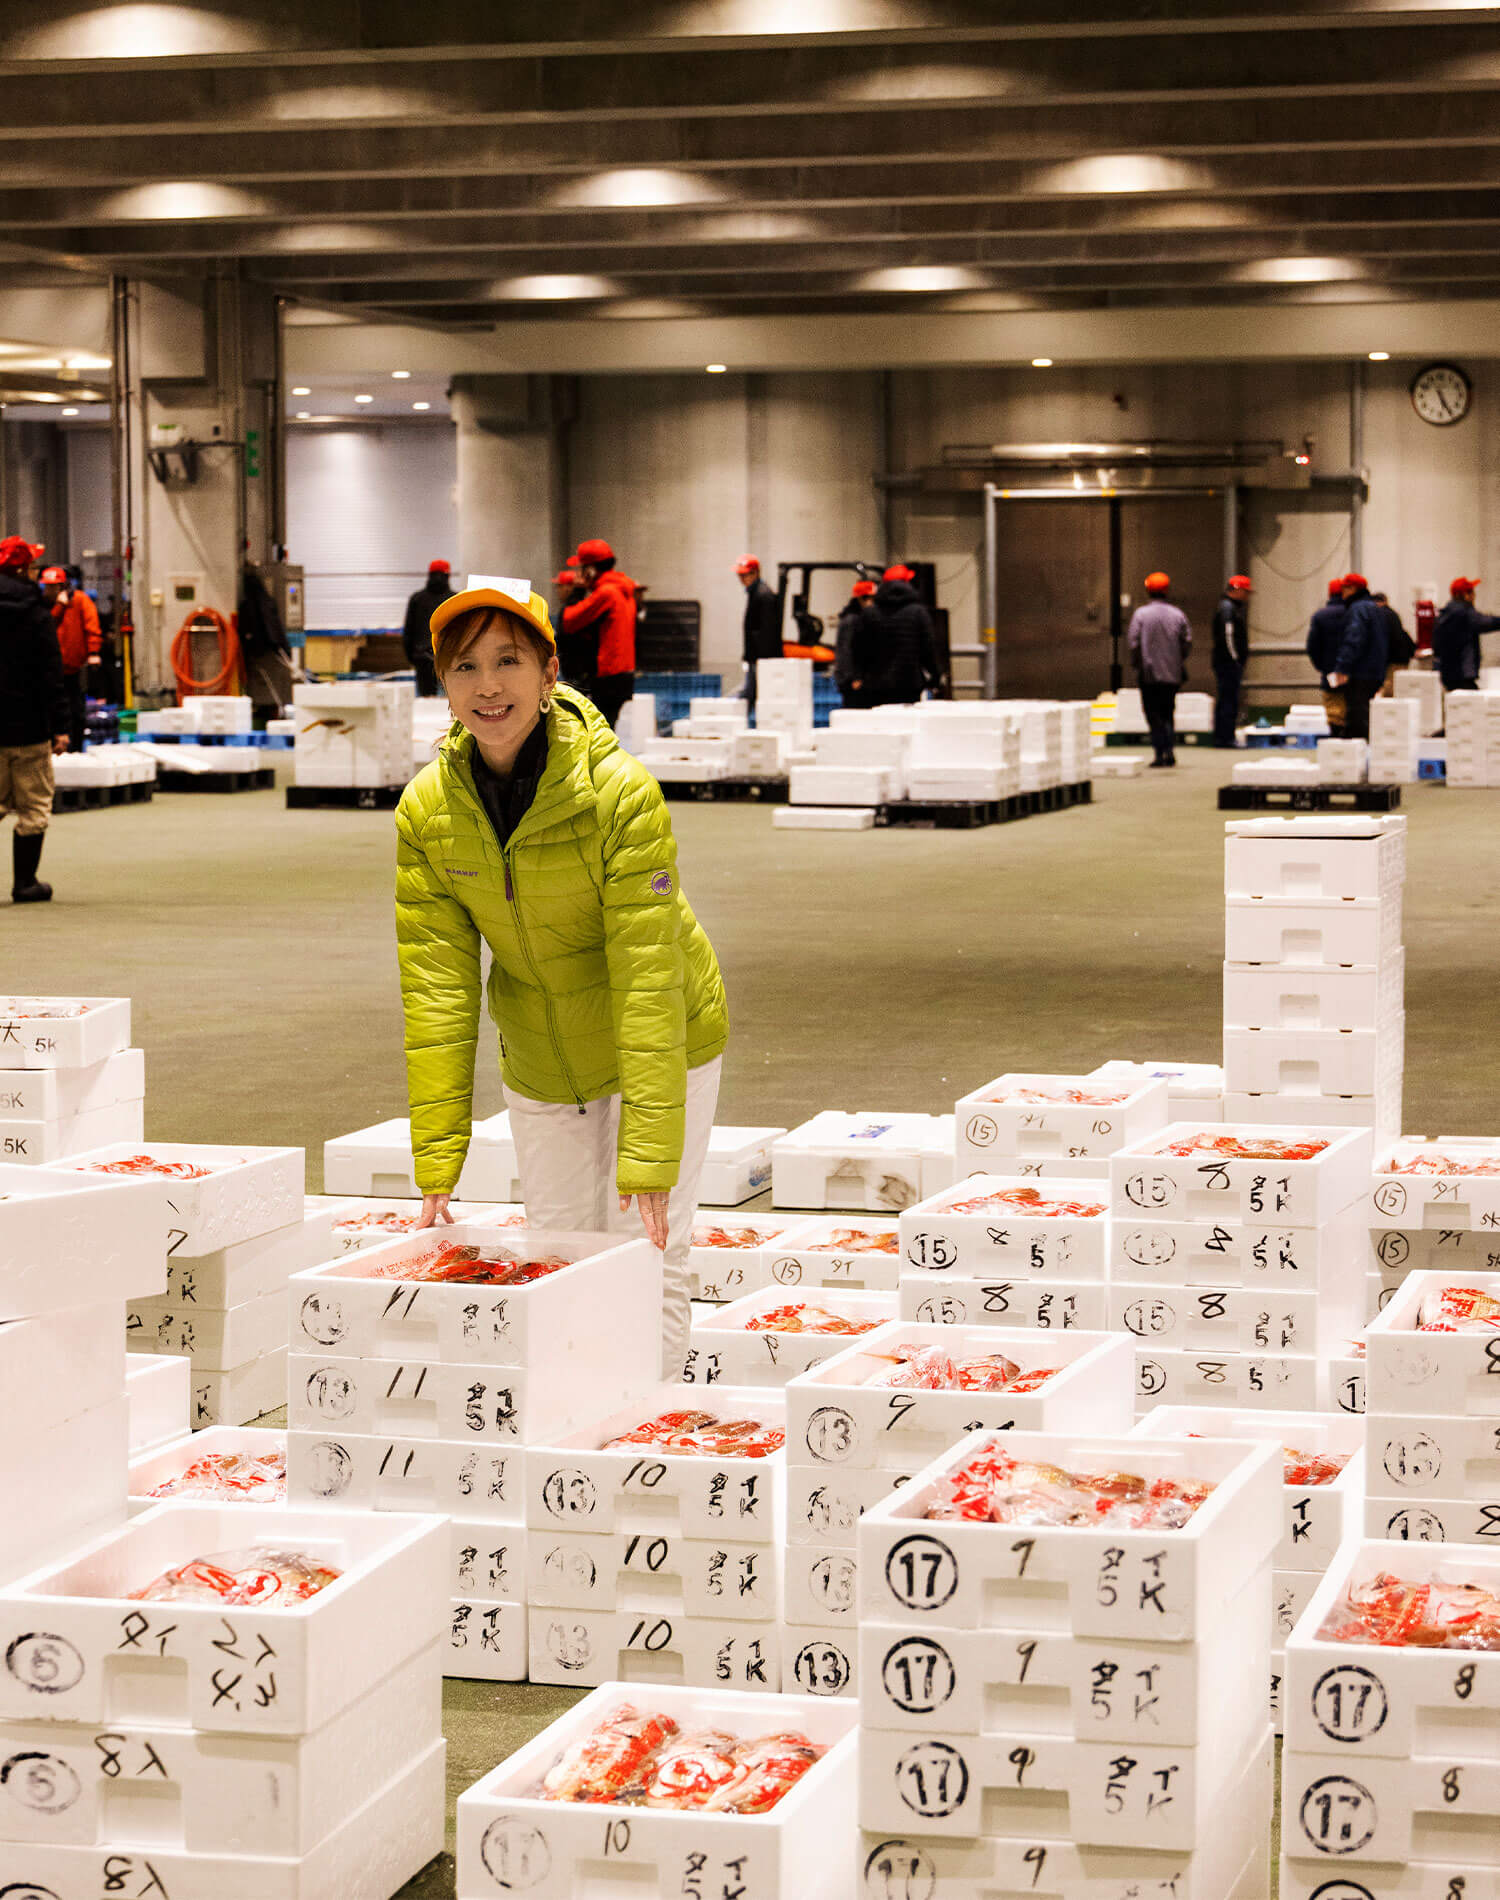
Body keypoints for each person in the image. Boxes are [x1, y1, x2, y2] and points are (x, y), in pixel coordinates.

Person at [395, 577, 728, 1377]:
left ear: (550, 674)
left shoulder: (620, 795)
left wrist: (646, 1156)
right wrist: (437, 1156)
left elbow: (648, 981)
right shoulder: (426, 811)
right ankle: (576, 1428)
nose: (488, 686)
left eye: (508, 661)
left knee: (646, 1254)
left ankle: (652, 1435)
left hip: (661, 1037)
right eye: (465, 667)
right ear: (443, 687)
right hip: (541, 1057)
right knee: (558, 1259)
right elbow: (437, 986)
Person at [0, 536, 68, 904]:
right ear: (26, 569)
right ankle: (25, 883)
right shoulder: (37, 613)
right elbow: (50, 674)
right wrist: (60, 726)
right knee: (34, 806)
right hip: (28, 729)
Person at [561, 538, 637, 728]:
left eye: (581, 568)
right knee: (606, 727)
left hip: (608, 675)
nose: (578, 574)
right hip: (622, 673)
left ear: (591, 570)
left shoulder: (607, 593)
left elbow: (568, 622)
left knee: (598, 732)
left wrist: (576, 592)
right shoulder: (623, 588)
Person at [1127, 570, 1192, 768]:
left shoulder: (1140, 615)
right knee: (1168, 712)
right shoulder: (1178, 614)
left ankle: (1159, 753)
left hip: (1149, 674)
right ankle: (1170, 751)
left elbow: (1133, 643)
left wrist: (1138, 664)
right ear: (1167, 590)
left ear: (1148, 590)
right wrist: (1177, 660)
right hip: (1172, 674)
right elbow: (1187, 641)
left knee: (1153, 714)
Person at [861, 564, 941, 707]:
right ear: (907, 584)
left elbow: (860, 649)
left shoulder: (869, 614)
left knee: (879, 726)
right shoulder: (918, 613)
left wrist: (860, 677)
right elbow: (928, 648)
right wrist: (935, 676)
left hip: (876, 686)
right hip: (909, 684)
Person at [41, 565, 100, 753]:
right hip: (49, 670)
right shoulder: (42, 605)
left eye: (54, 587)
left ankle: (75, 748)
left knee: (76, 710)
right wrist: (59, 606)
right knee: (50, 710)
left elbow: (92, 626)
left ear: (63, 586)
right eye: (47, 587)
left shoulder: (81, 601)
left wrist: (93, 653)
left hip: (73, 668)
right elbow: (46, 626)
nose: (49, 591)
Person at [1328, 573, 1389, 742]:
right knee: (1363, 714)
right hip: (1375, 671)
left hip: (1361, 672)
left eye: (1344, 589)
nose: (1342, 593)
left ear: (1352, 589)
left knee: (1358, 717)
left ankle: (1361, 757)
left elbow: (1354, 639)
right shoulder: (1375, 608)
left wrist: (1342, 667)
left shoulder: (1358, 609)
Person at [1431, 578, 1500, 694]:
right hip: (1462, 674)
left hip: (1448, 673)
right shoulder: (1462, 612)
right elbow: (1484, 622)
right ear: (1465, 595)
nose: (1474, 596)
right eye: (1472, 592)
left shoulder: (1445, 613)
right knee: (1471, 706)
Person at [734, 556, 783, 710]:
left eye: (744, 575)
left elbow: (767, 632)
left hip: (761, 658)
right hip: (755, 657)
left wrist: (761, 660)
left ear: (755, 573)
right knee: (750, 697)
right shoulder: (755, 593)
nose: (741, 579)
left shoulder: (763, 595)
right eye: (739, 575)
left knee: (750, 697)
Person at [1210, 573, 1252, 749]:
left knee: (1226, 699)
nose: (1247, 596)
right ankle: (1225, 738)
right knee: (1229, 700)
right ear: (1236, 590)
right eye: (1245, 591)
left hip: (1226, 662)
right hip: (1228, 663)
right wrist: (1235, 659)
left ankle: (1223, 736)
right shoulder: (1228, 609)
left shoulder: (1228, 607)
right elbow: (1229, 636)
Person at [402, 560, 452, 697]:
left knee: (425, 704)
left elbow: (407, 632)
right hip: (448, 659)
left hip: (422, 659)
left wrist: (412, 658)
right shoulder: (454, 599)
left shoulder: (417, 599)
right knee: (449, 704)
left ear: (429, 575)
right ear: (448, 576)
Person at [1307, 577, 1349, 737]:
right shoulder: (1354, 613)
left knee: (1333, 710)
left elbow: (1312, 646)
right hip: (1354, 672)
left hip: (1329, 671)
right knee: (1352, 708)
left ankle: (1335, 740)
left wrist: (1322, 666)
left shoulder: (1320, 616)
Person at [552, 561, 595, 700]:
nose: (557, 590)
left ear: (569, 588)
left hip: (579, 675)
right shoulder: (580, 607)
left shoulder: (574, 610)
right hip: (577, 673)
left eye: (560, 585)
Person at [834, 577, 877, 707]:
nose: (872, 603)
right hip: (852, 682)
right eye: (870, 599)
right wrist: (854, 678)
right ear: (861, 599)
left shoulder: (855, 618)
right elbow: (846, 651)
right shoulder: (853, 620)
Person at [1373, 593, 1415, 692]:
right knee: (1399, 689)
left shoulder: (1382, 615)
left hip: (1393, 660)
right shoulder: (1392, 613)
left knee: (1390, 690)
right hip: (1401, 658)